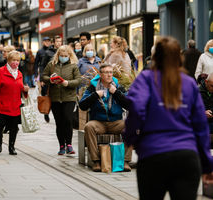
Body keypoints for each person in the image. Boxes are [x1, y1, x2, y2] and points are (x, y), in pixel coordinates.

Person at [124, 36, 213, 199]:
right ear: (179, 57)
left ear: (155, 57)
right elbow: (200, 125)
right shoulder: (188, 83)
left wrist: (131, 139)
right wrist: (207, 164)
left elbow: (135, 109)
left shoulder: (145, 79)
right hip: (186, 157)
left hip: (153, 155)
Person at [79, 63, 132, 172]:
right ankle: (96, 161)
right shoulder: (92, 87)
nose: (109, 75)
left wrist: (116, 92)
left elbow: (129, 104)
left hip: (116, 122)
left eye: (111, 72)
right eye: (106, 72)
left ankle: (125, 161)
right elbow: (82, 105)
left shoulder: (117, 86)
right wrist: (95, 95)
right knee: (89, 126)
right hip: (99, 122)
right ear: (100, 74)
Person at [42, 45, 81, 155]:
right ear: (57, 55)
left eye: (65, 56)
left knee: (68, 120)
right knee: (59, 122)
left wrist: (67, 83)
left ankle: (69, 144)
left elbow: (78, 80)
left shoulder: (73, 66)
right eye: (61, 55)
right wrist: (50, 80)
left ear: (69, 56)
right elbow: (43, 76)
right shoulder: (51, 65)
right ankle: (61, 146)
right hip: (55, 98)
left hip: (69, 97)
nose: (63, 57)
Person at [0, 51, 29, 155]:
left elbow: (21, 88)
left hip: (15, 105)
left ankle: (11, 147)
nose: (16, 62)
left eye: (17, 60)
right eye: (13, 60)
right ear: (8, 60)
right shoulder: (0, 72)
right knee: (0, 124)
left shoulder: (19, 73)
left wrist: (25, 89)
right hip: (2, 104)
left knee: (14, 127)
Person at [34, 36, 51, 123]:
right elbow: (36, 64)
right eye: (45, 41)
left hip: (52, 76)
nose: (47, 43)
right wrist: (37, 76)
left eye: (48, 41)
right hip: (43, 76)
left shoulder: (53, 51)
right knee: (44, 94)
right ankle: (46, 113)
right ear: (43, 42)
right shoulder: (40, 52)